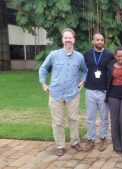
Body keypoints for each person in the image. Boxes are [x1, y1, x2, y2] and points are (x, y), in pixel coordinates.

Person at [39, 28, 87, 156]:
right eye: (65, 38)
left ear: (74, 40)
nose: (68, 40)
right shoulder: (54, 54)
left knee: (73, 119)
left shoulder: (79, 57)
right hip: (55, 93)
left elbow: (85, 70)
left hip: (73, 94)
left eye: (70, 38)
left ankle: (75, 142)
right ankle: (60, 145)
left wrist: (83, 81)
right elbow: (43, 68)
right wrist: (43, 83)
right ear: (62, 40)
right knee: (58, 122)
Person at [82, 33, 114, 152]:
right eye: (97, 40)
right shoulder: (87, 55)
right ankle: (91, 140)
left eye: (101, 40)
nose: (100, 42)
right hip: (90, 90)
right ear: (93, 41)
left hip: (104, 91)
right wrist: (82, 80)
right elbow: (82, 69)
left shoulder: (109, 55)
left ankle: (103, 138)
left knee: (104, 117)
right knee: (90, 117)